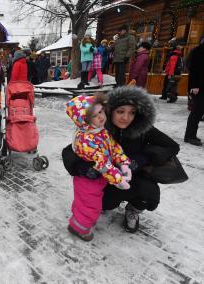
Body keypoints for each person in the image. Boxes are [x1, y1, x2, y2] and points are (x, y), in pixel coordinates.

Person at [62, 86, 180, 233]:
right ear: (110, 110)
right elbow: (70, 151)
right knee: (104, 202)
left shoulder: (143, 128)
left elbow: (172, 146)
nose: (126, 118)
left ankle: (133, 209)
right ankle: (100, 207)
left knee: (149, 193)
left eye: (132, 112)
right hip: (108, 179)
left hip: (136, 176)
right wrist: (81, 167)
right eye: (120, 111)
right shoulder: (99, 128)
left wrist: (144, 157)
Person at [65, 94, 131, 241]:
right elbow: (102, 162)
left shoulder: (101, 131)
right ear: (84, 120)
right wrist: (118, 179)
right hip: (87, 179)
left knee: (85, 203)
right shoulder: (85, 140)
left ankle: (77, 221)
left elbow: (114, 148)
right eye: (95, 115)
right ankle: (79, 229)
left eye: (101, 111)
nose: (101, 117)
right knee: (90, 206)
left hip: (99, 177)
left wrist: (124, 163)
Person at [184, 38, 204, 146]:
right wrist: (195, 86)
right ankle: (190, 136)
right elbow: (195, 70)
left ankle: (191, 135)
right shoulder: (199, 51)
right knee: (196, 112)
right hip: (199, 88)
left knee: (199, 112)